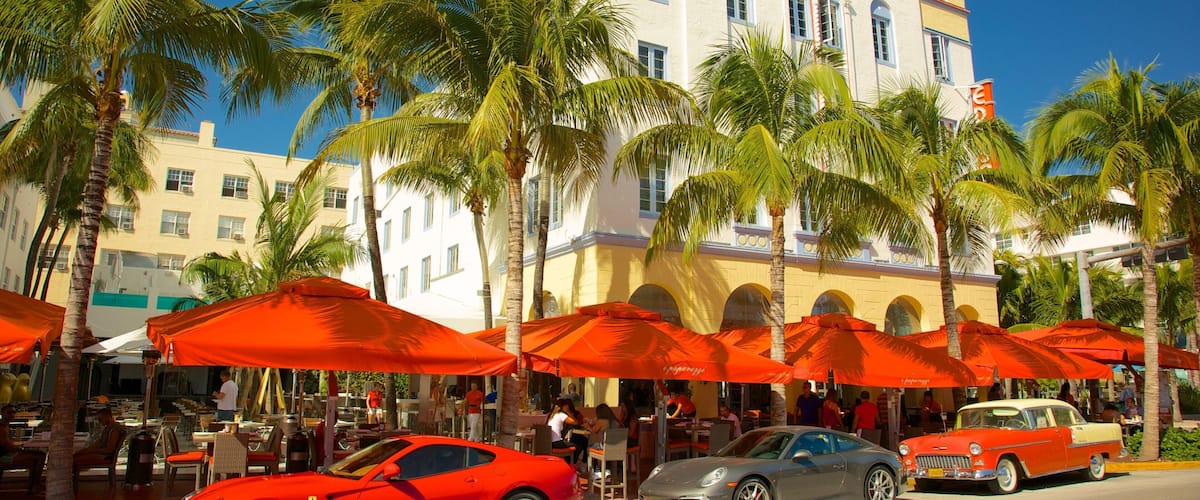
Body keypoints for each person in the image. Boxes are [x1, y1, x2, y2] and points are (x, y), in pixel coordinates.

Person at [0, 404, 44, 491]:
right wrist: (22, 449)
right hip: (3, 457)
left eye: (13, 412)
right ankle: (35, 485)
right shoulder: (2, 426)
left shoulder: (5, 425)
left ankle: (34, 485)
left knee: (37, 457)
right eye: (9, 413)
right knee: (40, 456)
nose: (12, 415)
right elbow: (6, 444)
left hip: (7, 454)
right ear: (2, 413)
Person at [546, 399, 582, 463]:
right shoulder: (561, 415)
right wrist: (568, 411)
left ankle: (566, 463)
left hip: (549, 443)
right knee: (577, 447)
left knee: (569, 443)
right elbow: (575, 422)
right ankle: (570, 465)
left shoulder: (551, 415)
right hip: (557, 443)